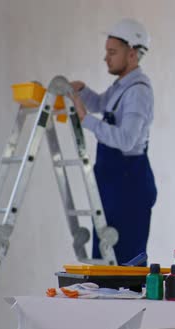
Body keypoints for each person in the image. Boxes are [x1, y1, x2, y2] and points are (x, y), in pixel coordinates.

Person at [69, 18, 157, 265]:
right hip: (114, 186)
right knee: (106, 262)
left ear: (131, 54)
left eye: (112, 52)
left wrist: (85, 118)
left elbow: (126, 140)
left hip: (129, 188)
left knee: (124, 267)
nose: (106, 58)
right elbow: (100, 104)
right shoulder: (122, 86)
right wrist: (83, 91)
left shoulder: (138, 91)